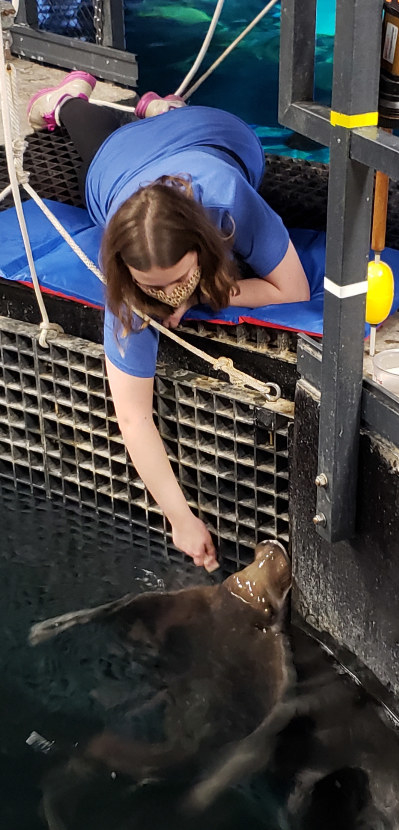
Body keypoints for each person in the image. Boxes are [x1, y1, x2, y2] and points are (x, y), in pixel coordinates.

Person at [27, 71, 313, 570]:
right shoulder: (123, 274)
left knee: (119, 138)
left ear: (205, 248)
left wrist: (204, 295)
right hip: (117, 169)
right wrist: (180, 517)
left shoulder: (227, 200)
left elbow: (294, 289)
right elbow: (134, 414)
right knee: (100, 148)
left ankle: (109, 107)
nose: (164, 298)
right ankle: (96, 104)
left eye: (176, 279)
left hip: (219, 136)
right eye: (150, 287)